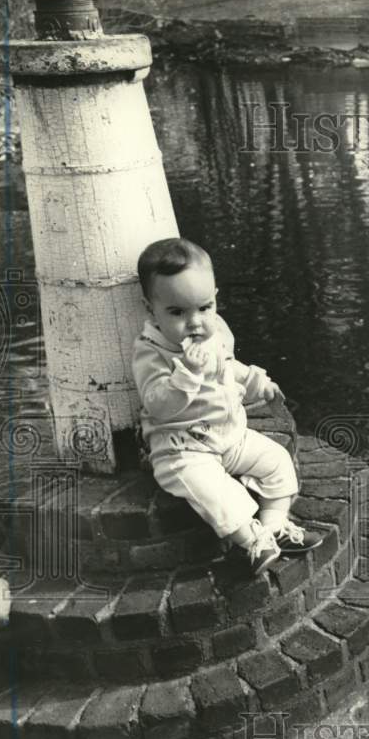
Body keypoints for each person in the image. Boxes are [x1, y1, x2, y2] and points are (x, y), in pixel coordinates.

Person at [132, 238, 321, 574]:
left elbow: (229, 367)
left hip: (229, 435)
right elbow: (157, 404)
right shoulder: (151, 351)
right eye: (177, 312)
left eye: (204, 308)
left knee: (277, 461)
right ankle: (252, 541)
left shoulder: (214, 333)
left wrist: (257, 383)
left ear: (215, 298)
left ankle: (275, 525)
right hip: (182, 447)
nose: (195, 322)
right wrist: (187, 374)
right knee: (213, 491)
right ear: (151, 310)